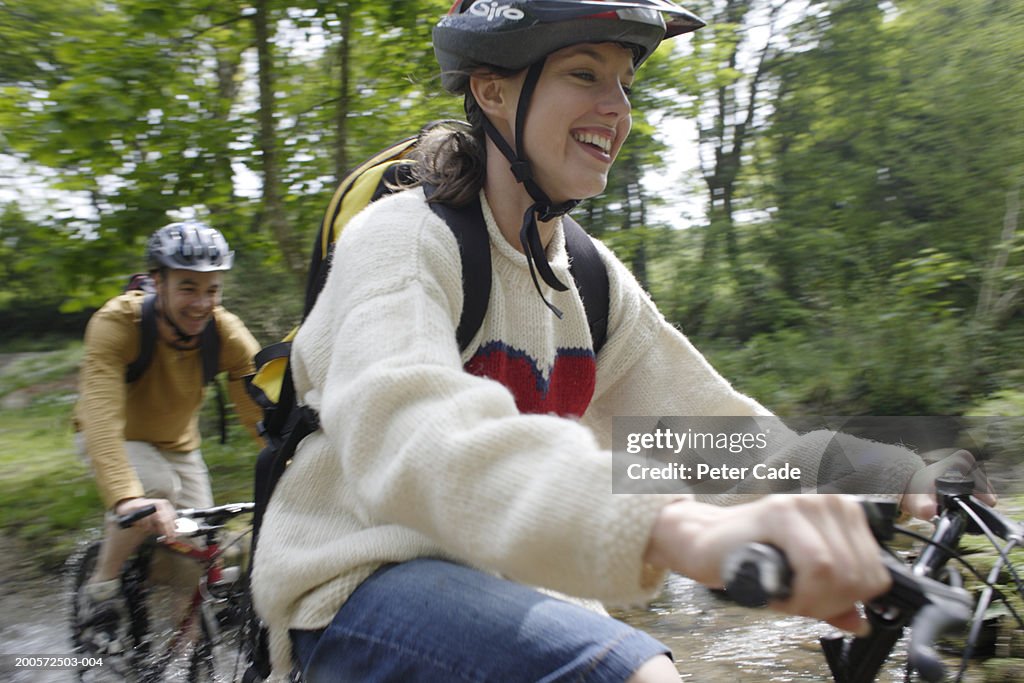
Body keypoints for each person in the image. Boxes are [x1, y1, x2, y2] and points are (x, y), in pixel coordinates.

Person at [250, 2, 986, 681]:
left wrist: (892, 470)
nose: (617, 108)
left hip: (505, 583)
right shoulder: (404, 238)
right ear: (492, 90)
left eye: (624, 82)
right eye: (583, 74)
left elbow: (705, 439)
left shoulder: (591, 282)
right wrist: (675, 526)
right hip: (356, 581)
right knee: (629, 672)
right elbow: (413, 437)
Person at [73, 221, 263, 654]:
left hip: (178, 446)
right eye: (188, 288)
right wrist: (126, 498)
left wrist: (290, 466)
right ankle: (101, 589)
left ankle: (176, 658)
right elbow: (100, 416)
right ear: (157, 282)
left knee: (200, 551)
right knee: (155, 491)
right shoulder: (117, 323)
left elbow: (263, 407)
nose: (202, 303)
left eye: (212, 290)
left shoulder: (225, 331)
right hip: (115, 437)